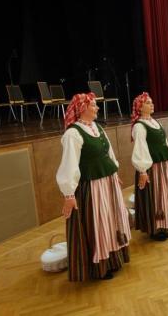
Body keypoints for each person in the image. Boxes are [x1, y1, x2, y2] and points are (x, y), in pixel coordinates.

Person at [56, 92, 131, 281]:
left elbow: (109, 153)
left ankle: (113, 259)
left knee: (111, 220)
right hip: (92, 187)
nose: (97, 108)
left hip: (107, 182)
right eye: (93, 106)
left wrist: (114, 172)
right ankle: (99, 267)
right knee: (98, 223)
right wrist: (69, 195)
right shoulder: (73, 134)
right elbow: (69, 165)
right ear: (82, 109)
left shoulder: (97, 127)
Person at [131, 92, 168, 241]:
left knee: (165, 194)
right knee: (156, 195)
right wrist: (143, 171)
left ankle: (164, 223)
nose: (152, 105)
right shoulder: (139, 126)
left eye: (151, 102)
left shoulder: (154, 121)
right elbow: (140, 149)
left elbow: (164, 143)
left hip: (163, 164)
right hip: (152, 167)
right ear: (140, 107)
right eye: (147, 103)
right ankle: (155, 228)